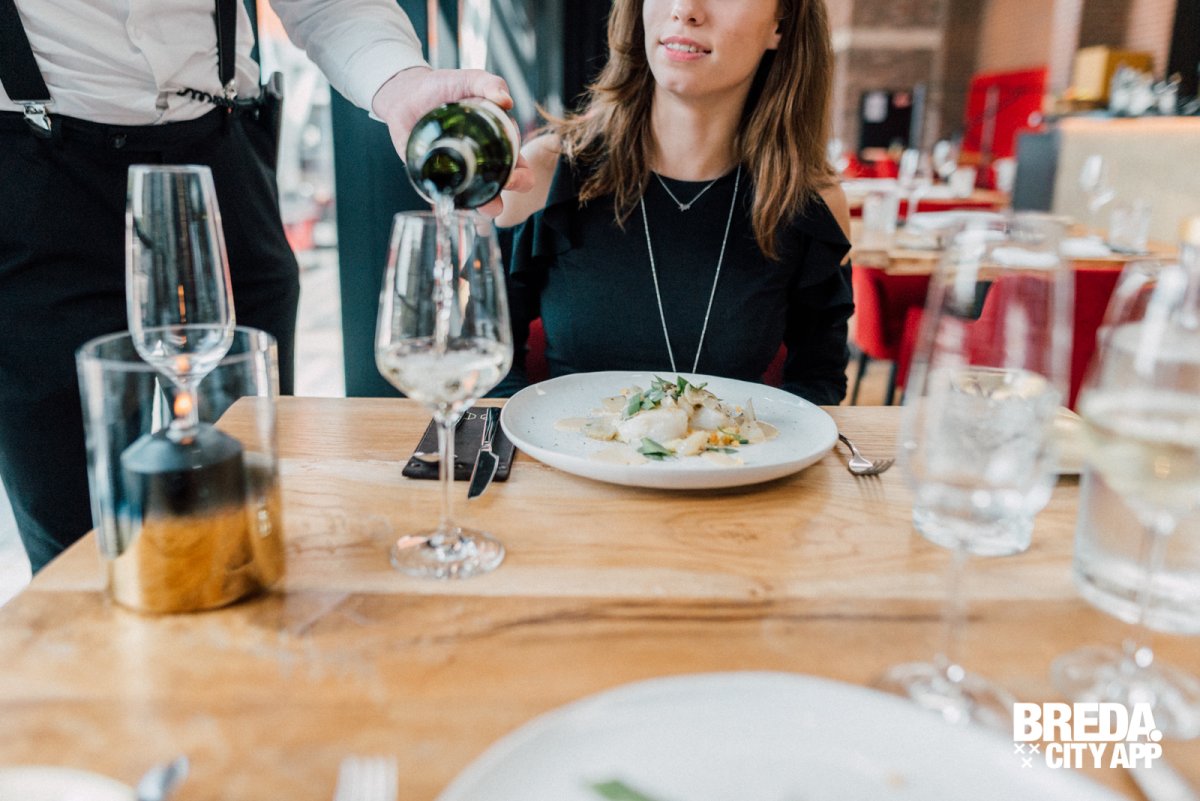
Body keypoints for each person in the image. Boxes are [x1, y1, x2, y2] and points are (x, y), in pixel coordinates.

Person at [0, 0, 532, 573]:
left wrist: (403, 83)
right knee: (77, 545)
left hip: (223, 165)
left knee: (244, 521)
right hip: (34, 188)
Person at [493, 0, 853, 405]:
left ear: (780, 25)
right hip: (561, 442)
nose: (685, 9)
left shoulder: (811, 203)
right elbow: (490, 366)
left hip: (735, 448)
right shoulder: (544, 175)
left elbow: (816, 385)